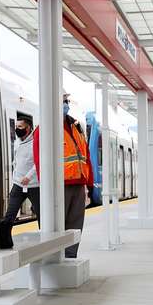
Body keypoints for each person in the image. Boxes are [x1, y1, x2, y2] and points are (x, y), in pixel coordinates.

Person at [33, 95, 93, 258]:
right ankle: (57, 258)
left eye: (66, 101)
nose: (66, 104)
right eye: (62, 101)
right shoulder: (44, 128)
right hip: (59, 185)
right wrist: (45, 186)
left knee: (76, 225)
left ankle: (70, 258)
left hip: (79, 183)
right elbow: (39, 160)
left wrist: (89, 183)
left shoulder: (76, 126)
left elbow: (85, 155)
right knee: (58, 226)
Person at [0, 115, 38, 249]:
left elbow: (38, 162)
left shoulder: (35, 142)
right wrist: (17, 176)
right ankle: (5, 241)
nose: (17, 129)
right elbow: (17, 161)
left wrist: (29, 176)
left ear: (28, 128)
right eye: (16, 127)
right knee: (10, 213)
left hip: (34, 185)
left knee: (42, 215)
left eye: (20, 127)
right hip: (18, 184)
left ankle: (45, 241)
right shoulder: (18, 142)